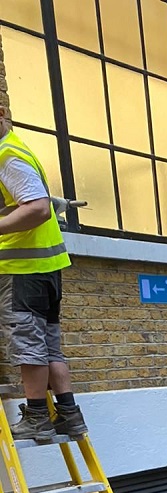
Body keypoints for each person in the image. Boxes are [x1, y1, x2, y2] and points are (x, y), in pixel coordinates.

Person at [0, 107, 87, 443]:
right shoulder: (18, 149)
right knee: (49, 346)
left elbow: (36, 207)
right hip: (45, 270)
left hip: (25, 271)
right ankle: (69, 414)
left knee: (28, 344)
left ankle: (37, 416)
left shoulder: (7, 154)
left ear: (3, 114)